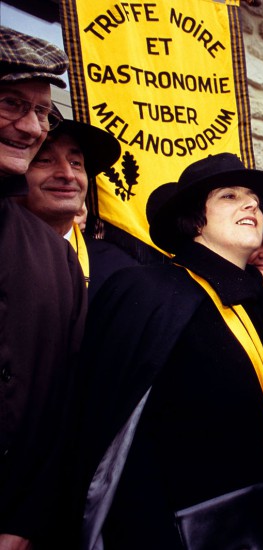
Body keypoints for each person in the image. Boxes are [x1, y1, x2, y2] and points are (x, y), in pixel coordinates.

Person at [74, 153, 263, 549]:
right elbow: (115, 443)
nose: (252, 205)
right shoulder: (147, 291)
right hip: (180, 531)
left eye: (255, 199)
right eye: (230, 196)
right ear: (195, 220)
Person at [0, 27, 88, 549]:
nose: (31, 127)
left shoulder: (54, 257)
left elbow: (61, 405)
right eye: (12, 103)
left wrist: (20, 523)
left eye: (40, 110)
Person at [17, 117, 128, 299]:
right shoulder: (7, 254)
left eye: (76, 163)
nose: (67, 174)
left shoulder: (120, 270)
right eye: (44, 160)